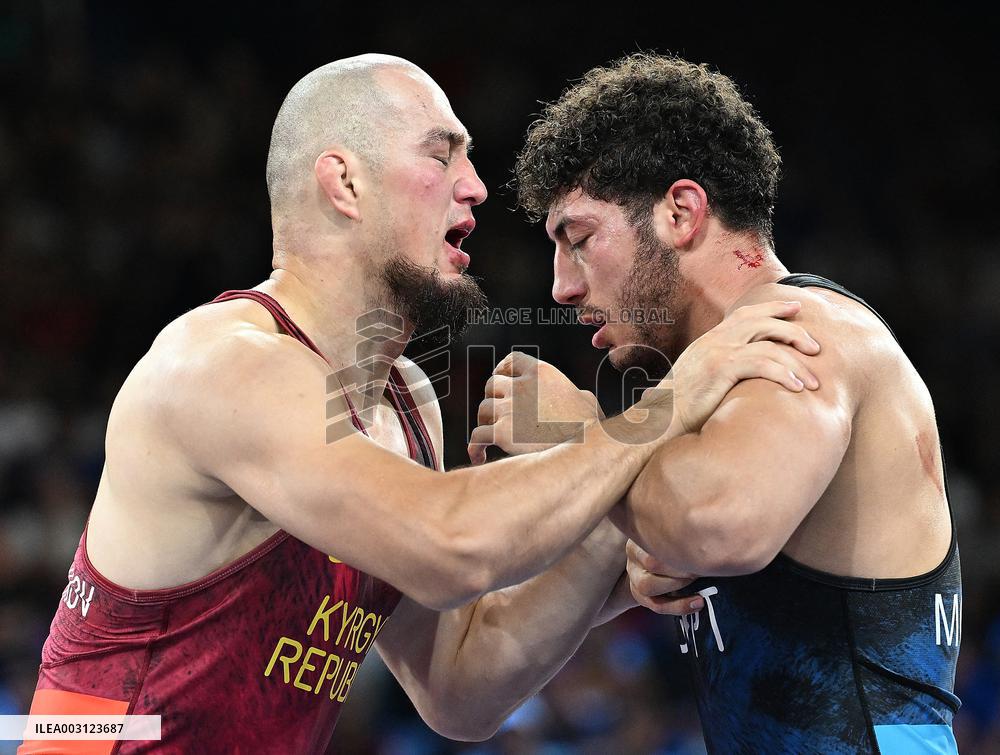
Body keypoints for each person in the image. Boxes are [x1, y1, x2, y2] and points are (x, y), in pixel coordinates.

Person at [18, 55, 822, 753]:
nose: (474, 185)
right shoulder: (224, 365)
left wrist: (616, 533)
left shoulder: (406, 399)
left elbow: (459, 687)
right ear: (343, 182)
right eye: (443, 155)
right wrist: (667, 406)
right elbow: (451, 544)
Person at [479, 53, 961, 753]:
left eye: (579, 240)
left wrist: (570, 427)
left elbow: (720, 527)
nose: (562, 286)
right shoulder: (708, 389)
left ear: (680, 211)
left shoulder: (803, 329)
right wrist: (647, 524)